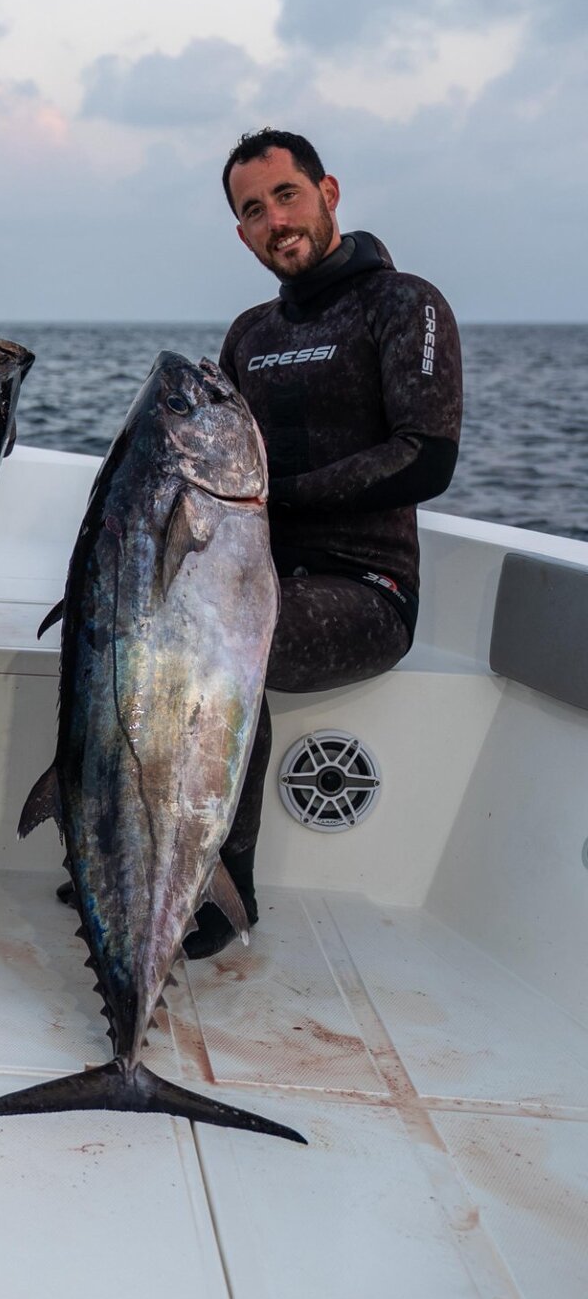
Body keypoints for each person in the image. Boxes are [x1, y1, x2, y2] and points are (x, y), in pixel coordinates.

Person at [186, 126, 463, 958]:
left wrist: (280, 502)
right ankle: (144, 852)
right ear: (241, 232)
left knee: (226, 650)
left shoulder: (402, 303)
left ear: (328, 192)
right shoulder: (250, 334)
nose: (275, 220)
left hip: (367, 590)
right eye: (253, 210)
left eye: (286, 196)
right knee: (140, 639)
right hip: (257, 578)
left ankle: (226, 886)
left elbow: (427, 457)